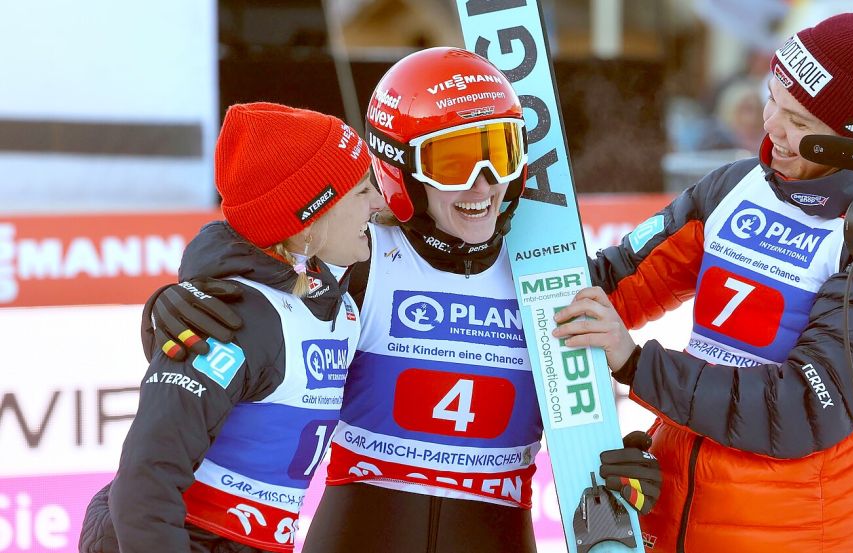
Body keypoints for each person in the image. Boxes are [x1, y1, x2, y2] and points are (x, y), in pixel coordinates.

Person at [135, 48, 660, 553]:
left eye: (500, 154)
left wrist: (631, 461)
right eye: (453, 162)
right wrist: (186, 291)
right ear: (400, 167)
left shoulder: (549, 274)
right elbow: (265, 241)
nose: (484, 184)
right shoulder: (362, 255)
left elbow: (685, 254)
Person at [553, 12, 853, 553]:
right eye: (771, 99)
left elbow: (803, 409)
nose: (771, 127)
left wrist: (638, 366)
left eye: (799, 121)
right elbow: (611, 285)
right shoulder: (736, 186)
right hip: (689, 517)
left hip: (800, 534)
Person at [79, 102, 383, 552]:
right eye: (361, 191)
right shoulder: (231, 319)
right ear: (310, 218)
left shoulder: (331, 296)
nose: (378, 203)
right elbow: (145, 483)